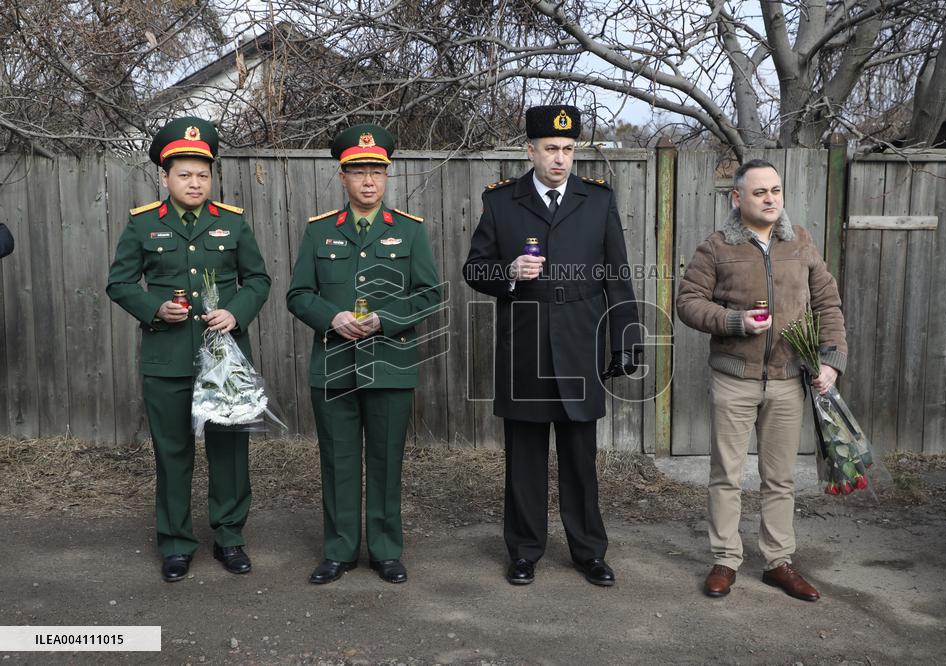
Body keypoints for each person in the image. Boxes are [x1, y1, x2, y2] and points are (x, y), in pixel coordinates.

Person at [463, 105, 642, 587]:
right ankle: (524, 550)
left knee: (580, 457)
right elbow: (474, 269)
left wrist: (626, 338)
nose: (559, 159)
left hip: (581, 341)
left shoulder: (597, 200)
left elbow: (617, 275)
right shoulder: (502, 202)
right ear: (530, 150)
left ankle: (588, 551)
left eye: (567, 149)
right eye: (550, 149)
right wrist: (508, 273)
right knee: (524, 458)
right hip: (524, 345)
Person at [106, 117, 271, 582]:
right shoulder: (143, 225)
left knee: (230, 453)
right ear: (165, 176)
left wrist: (237, 312)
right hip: (167, 357)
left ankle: (230, 539)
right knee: (172, 452)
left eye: (202, 174)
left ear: (211, 176)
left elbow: (258, 279)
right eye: (184, 174)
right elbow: (118, 283)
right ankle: (176, 543)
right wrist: (155, 308)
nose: (195, 182)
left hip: (225, 359)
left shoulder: (232, 223)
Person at [676, 158, 847, 601]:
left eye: (775, 190)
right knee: (727, 475)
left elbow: (828, 304)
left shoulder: (801, 242)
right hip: (735, 378)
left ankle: (778, 562)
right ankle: (725, 560)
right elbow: (688, 302)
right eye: (759, 192)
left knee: (780, 478)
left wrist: (830, 361)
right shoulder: (716, 247)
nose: (770, 199)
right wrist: (734, 321)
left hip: (790, 380)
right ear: (737, 198)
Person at [287, 124, 441, 585]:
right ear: (343, 177)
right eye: (359, 172)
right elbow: (298, 294)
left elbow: (429, 294)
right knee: (337, 459)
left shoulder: (409, 232)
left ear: (387, 176)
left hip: (390, 364)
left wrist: (384, 321)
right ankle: (339, 550)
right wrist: (331, 318)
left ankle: (386, 550)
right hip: (333, 365)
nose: (369, 181)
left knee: (386, 460)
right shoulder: (319, 232)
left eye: (377, 171)